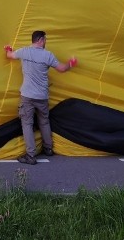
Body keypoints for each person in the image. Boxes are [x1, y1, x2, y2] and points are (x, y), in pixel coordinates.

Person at [5, 30, 77, 165]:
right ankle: (48, 149)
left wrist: (8, 49)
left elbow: (10, 55)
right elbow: (61, 68)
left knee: (27, 124)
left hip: (27, 95)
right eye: (45, 40)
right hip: (42, 96)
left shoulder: (24, 51)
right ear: (41, 40)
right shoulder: (47, 55)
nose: (46, 42)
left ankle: (31, 155)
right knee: (44, 121)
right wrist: (70, 64)